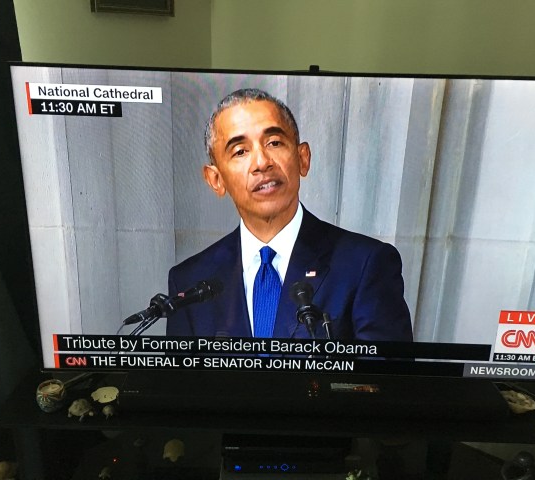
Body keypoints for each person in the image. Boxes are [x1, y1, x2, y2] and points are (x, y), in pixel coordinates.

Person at [166, 88, 412, 341]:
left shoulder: (365, 264)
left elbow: (388, 367)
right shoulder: (190, 281)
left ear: (302, 158)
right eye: (240, 151)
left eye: (274, 142)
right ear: (216, 180)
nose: (262, 162)